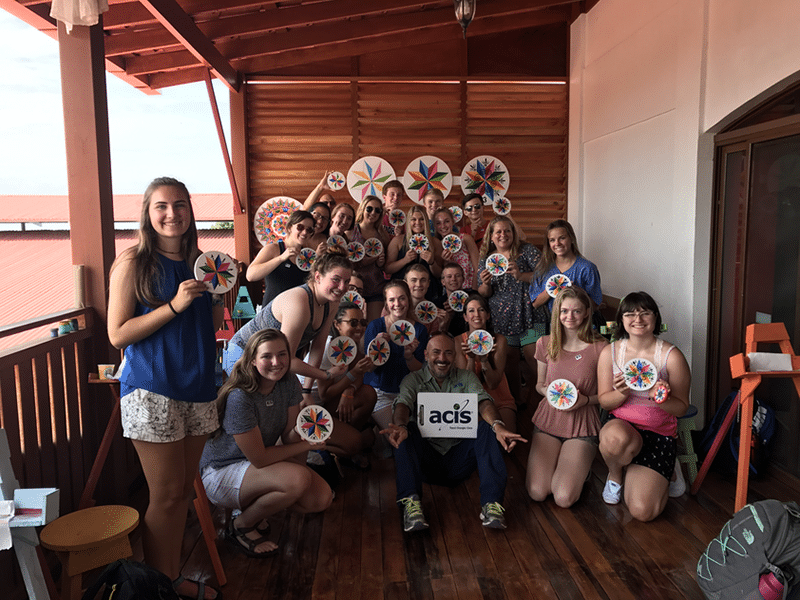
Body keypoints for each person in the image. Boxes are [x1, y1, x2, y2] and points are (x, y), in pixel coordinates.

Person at [107, 177, 222, 600]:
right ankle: (158, 588)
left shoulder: (202, 263)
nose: (171, 213)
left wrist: (217, 297)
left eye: (180, 205)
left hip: (198, 388)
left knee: (181, 493)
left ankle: (167, 581)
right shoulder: (134, 262)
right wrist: (173, 304)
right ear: (147, 212)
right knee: (167, 495)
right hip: (151, 390)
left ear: (191, 211)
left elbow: (208, 329)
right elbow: (118, 334)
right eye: (161, 206)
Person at [200, 329, 333, 558]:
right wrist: (306, 447)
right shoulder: (240, 397)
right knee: (298, 479)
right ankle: (241, 525)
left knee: (322, 498)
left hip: (257, 467)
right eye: (267, 356)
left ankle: (254, 509)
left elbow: (288, 434)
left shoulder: (288, 382)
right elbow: (259, 458)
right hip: (221, 471)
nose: (276, 362)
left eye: (282, 355)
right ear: (252, 360)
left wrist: (308, 432)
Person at [381, 333, 526, 532]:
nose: (442, 358)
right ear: (425, 354)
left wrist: (498, 425)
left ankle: (492, 505)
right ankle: (411, 504)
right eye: (436, 352)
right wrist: (401, 425)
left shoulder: (466, 377)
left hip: (459, 458)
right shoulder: (412, 379)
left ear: (454, 354)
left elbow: (483, 401)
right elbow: (403, 405)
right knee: (405, 431)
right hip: (427, 460)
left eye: (448, 353)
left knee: (486, 427)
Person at [597, 292, 691, 522]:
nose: (637, 319)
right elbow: (604, 401)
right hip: (623, 428)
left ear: (655, 318)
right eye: (630, 313)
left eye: (644, 312)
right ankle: (616, 474)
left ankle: (669, 470)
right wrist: (621, 392)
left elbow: (681, 409)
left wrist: (661, 397)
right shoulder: (610, 352)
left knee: (642, 511)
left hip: (659, 433)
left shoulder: (672, 356)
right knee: (613, 439)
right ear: (621, 320)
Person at [525, 287, 608, 507]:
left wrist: (585, 400)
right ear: (557, 313)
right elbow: (539, 385)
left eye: (576, 311)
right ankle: (566, 467)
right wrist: (551, 394)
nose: (569, 317)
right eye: (564, 311)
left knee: (563, 498)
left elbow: (607, 395)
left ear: (587, 313)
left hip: (582, 425)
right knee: (537, 492)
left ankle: (582, 469)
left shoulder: (601, 348)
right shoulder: (545, 343)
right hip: (548, 421)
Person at [477, 215, 548, 403]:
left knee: (536, 362)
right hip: (502, 318)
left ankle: (539, 402)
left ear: (513, 233)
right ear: (491, 236)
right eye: (498, 231)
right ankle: (517, 403)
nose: (503, 235)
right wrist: (485, 283)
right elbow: (483, 292)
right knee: (510, 364)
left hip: (531, 314)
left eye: (507, 230)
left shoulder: (527, 251)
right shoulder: (486, 259)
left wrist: (521, 275)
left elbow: (546, 276)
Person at [363, 280, 429, 436]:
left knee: (411, 436)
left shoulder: (419, 330)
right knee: (396, 437)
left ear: (408, 300)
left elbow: (418, 369)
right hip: (379, 393)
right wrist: (377, 347)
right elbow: (369, 368)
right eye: (391, 300)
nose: (397, 304)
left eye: (402, 298)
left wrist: (408, 356)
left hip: (407, 394)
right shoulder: (375, 327)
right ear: (386, 304)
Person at [316, 302, 378, 447]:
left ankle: (344, 437)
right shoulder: (327, 349)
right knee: (358, 442)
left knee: (369, 394)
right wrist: (354, 373)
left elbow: (359, 376)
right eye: (353, 323)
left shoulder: (351, 344)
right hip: (312, 409)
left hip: (329, 403)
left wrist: (349, 390)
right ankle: (318, 449)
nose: (359, 328)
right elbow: (324, 394)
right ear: (337, 324)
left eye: (362, 323)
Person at [455, 293, 518, 433]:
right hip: (472, 400)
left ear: (488, 315)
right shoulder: (458, 341)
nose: (476, 314)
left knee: (506, 441)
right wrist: (471, 358)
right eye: (471, 310)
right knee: (484, 438)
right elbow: (468, 387)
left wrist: (484, 360)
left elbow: (493, 383)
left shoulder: (500, 340)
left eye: (481, 310)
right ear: (465, 317)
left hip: (500, 398)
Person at [530, 219, 602, 315]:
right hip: (545, 324)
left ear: (571, 239)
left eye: (562, 238)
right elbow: (535, 304)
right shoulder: (542, 268)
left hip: (576, 325)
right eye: (552, 240)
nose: (557, 243)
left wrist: (577, 292)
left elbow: (595, 305)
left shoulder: (587, 268)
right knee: (534, 330)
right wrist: (552, 289)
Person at [246, 210, 316, 308]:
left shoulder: (308, 255)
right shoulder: (274, 249)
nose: (304, 232)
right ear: (290, 227)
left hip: (297, 312)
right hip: (272, 312)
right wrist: (281, 258)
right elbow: (250, 275)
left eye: (309, 230)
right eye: (300, 227)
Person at [385, 204, 443, 299]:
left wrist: (432, 262)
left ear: (426, 221)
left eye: (421, 219)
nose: (418, 222)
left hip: (428, 292)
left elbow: (439, 274)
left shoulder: (435, 242)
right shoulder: (398, 240)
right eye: (413, 219)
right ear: (408, 221)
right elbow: (387, 269)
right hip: (401, 293)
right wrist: (405, 260)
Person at [350, 195, 389, 321]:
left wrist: (380, 262)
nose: (373, 213)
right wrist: (369, 260)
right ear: (363, 209)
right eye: (369, 209)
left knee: (372, 326)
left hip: (375, 286)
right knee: (352, 324)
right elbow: (346, 261)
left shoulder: (382, 235)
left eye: (377, 210)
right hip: (354, 286)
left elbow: (384, 266)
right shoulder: (351, 231)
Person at [433, 207, 478, 288]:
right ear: (434, 226)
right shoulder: (438, 245)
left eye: (446, 221)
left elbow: (477, 267)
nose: (443, 226)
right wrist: (445, 261)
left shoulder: (466, 239)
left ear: (452, 222)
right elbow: (440, 274)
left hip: (470, 287)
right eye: (438, 223)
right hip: (451, 291)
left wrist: (474, 290)